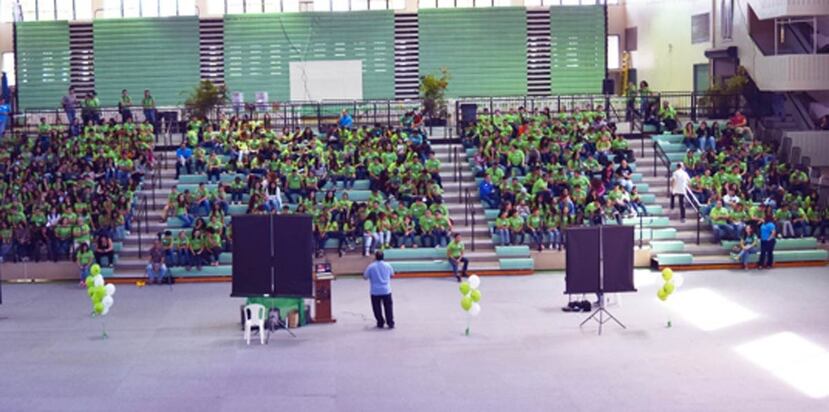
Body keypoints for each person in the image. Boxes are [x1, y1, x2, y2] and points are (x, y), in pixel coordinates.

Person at [363, 251, 395, 329]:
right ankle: (390, 322)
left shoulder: (371, 266)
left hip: (375, 291)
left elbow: (365, 277)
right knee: (388, 307)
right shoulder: (388, 265)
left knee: (376, 307)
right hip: (386, 290)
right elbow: (392, 275)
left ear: (375, 257)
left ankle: (380, 322)